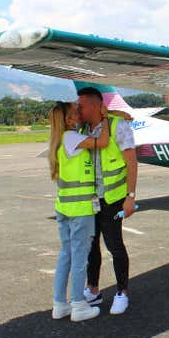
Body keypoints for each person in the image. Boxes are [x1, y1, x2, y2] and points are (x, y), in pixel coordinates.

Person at [76, 86, 138, 315]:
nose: (78, 109)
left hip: (112, 198)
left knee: (115, 246)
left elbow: (132, 162)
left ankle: (122, 292)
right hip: (89, 199)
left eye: (81, 105)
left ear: (94, 105)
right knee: (91, 247)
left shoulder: (117, 126)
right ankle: (93, 290)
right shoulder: (81, 128)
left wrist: (130, 197)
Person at [48, 101, 108, 322]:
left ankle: (59, 304)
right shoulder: (71, 137)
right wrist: (104, 118)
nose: (80, 115)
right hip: (80, 209)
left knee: (66, 255)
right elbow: (102, 141)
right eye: (75, 113)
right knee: (80, 258)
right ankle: (79, 305)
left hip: (64, 206)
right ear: (68, 120)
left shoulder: (61, 139)